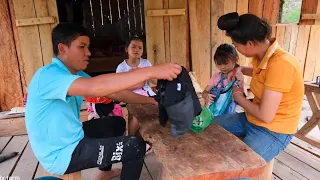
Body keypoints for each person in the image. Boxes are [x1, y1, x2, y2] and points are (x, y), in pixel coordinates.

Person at [25, 23, 181, 180]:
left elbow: (115, 92)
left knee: (116, 123)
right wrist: (151, 72)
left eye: (88, 47)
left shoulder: (73, 74)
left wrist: (150, 100)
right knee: (135, 146)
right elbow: (94, 87)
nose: (88, 52)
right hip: (60, 153)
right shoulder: (49, 75)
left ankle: (104, 171)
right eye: (82, 47)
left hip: (71, 136)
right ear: (62, 48)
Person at [214, 12, 304, 164]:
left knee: (239, 170)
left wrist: (238, 97)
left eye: (236, 46)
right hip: (250, 119)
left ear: (249, 44)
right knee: (210, 126)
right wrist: (239, 69)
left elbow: (266, 115)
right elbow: (260, 73)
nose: (237, 49)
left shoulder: (282, 64)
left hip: (274, 131)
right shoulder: (262, 55)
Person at [202, 44, 246, 115]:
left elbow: (242, 98)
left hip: (230, 112)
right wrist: (206, 95)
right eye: (219, 64)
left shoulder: (238, 77)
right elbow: (205, 91)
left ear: (236, 60)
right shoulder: (216, 77)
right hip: (215, 111)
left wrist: (240, 82)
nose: (222, 67)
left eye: (226, 63)